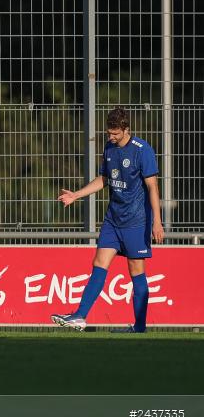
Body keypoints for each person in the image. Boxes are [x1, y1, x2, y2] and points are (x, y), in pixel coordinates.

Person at [51, 107, 163, 334]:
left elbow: (152, 186)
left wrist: (157, 222)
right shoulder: (110, 148)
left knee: (136, 271)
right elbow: (104, 179)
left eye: (115, 133)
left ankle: (139, 327)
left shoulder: (143, 151)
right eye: (108, 133)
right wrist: (76, 195)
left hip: (136, 221)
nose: (111, 137)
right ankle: (80, 316)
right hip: (113, 219)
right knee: (98, 264)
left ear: (126, 129)